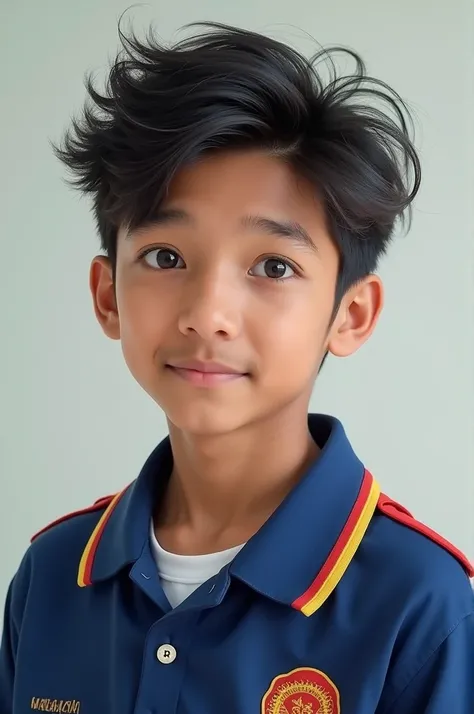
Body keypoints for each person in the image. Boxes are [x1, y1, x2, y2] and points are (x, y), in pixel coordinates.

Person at [1, 20, 473, 714]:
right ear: (108, 296)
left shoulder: (421, 604)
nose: (207, 313)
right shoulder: (51, 575)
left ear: (351, 315)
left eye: (273, 266)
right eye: (166, 258)